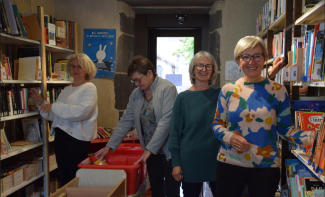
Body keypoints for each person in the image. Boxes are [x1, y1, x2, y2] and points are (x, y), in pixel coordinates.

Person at [212, 36, 314, 197]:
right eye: (245, 56)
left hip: (266, 167)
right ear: (238, 60)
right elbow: (217, 124)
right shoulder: (227, 90)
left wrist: (313, 137)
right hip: (229, 164)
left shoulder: (278, 91)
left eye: (257, 56)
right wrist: (230, 137)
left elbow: (285, 129)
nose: (251, 61)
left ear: (265, 59)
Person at [96, 55, 180, 197]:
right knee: (156, 191)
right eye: (133, 80)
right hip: (152, 153)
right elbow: (125, 121)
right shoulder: (136, 94)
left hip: (169, 152)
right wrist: (108, 147)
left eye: (138, 80)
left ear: (149, 73)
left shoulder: (167, 89)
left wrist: (148, 150)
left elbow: (166, 123)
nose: (136, 84)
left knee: (172, 192)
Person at [30, 53, 98, 186]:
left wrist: (53, 106)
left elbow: (81, 112)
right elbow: (56, 115)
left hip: (77, 139)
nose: (76, 69)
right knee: (64, 176)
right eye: (73, 66)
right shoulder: (67, 89)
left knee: (76, 177)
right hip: (61, 137)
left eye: (80, 66)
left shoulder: (90, 88)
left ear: (87, 69)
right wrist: (41, 103)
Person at [168, 51, 221, 197]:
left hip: (216, 159)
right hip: (190, 161)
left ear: (213, 70)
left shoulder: (221, 95)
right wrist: (176, 164)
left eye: (208, 66)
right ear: (193, 69)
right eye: (200, 66)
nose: (204, 69)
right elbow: (174, 134)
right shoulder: (183, 98)